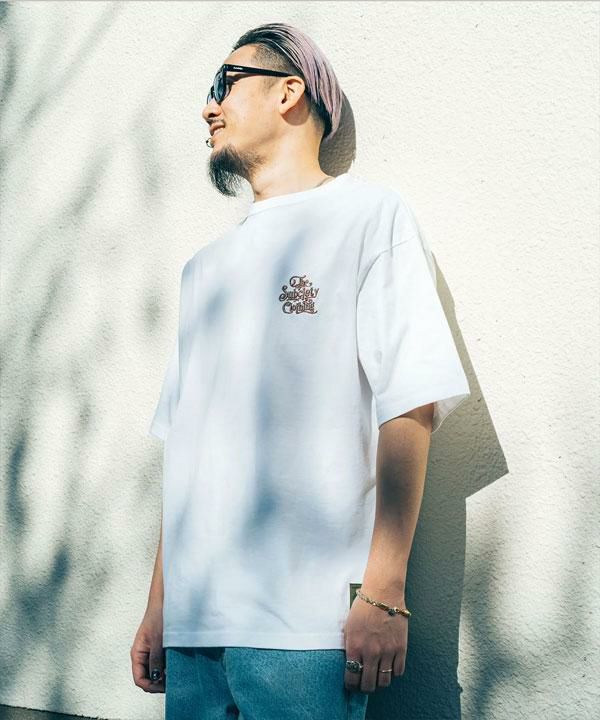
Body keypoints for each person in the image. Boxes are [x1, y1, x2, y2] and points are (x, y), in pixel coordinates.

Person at [130, 21, 470, 720]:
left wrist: (384, 590)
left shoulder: (369, 217)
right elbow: (187, 449)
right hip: (194, 635)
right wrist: (160, 605)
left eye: (224, 83)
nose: (208, 106)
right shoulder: (204, 271)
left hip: (305, 631)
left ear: (289, 92)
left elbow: (409, 401)